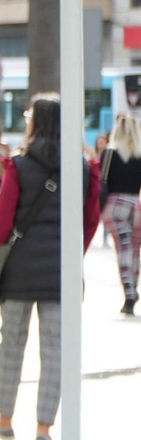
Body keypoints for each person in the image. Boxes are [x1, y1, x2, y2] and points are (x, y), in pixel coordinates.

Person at [0, 94, 101, 440]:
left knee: (12, 344)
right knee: (55, 350)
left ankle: (4, 421)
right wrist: (72, 255)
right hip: (60, 274)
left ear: (37, 122)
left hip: (18, 270)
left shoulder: (18, 166)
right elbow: (91, 218)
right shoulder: (80, 168)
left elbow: (2, 220)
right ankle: (44, 430)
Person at [101, 113, 141, 313]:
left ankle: (129, 292)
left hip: (115, 205)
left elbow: (102, 181)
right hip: (136, 204)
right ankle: (133, 284)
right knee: (134, 250)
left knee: (123, 248)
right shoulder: (139, 153)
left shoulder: (109, 153)